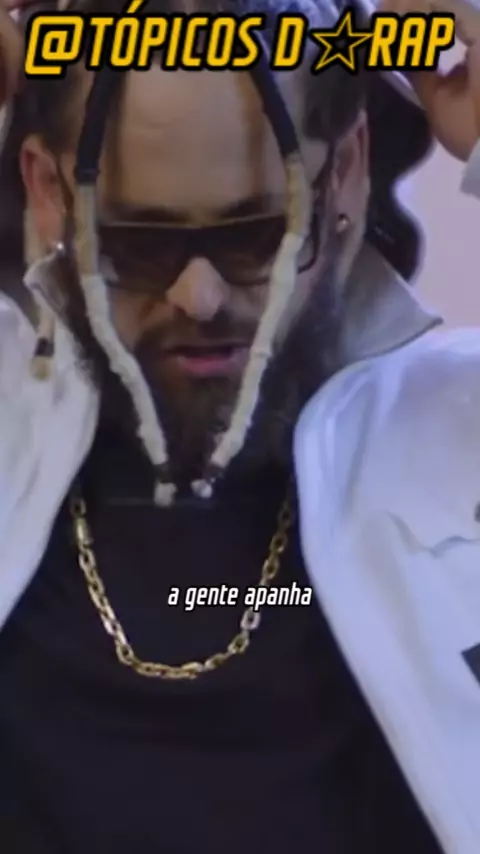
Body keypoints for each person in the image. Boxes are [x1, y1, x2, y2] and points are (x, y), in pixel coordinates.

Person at [0, 0, 479, 850]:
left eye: (258, 234)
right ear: (46, 192)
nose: (200, 295)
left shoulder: (456, 440)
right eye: (141, 243)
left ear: (348, 170)